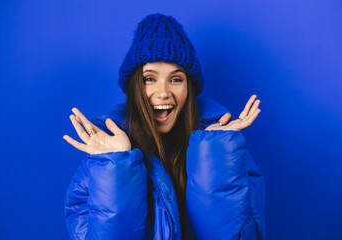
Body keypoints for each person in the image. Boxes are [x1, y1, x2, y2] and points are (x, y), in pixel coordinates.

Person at [63, 13, 265, 240]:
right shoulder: (104, 154)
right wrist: (117, 165)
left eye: (176, 79)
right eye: (150, 79)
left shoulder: (225, 145)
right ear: (134, 87)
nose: (163, 92)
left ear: (189, 88)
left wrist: (216, 154)